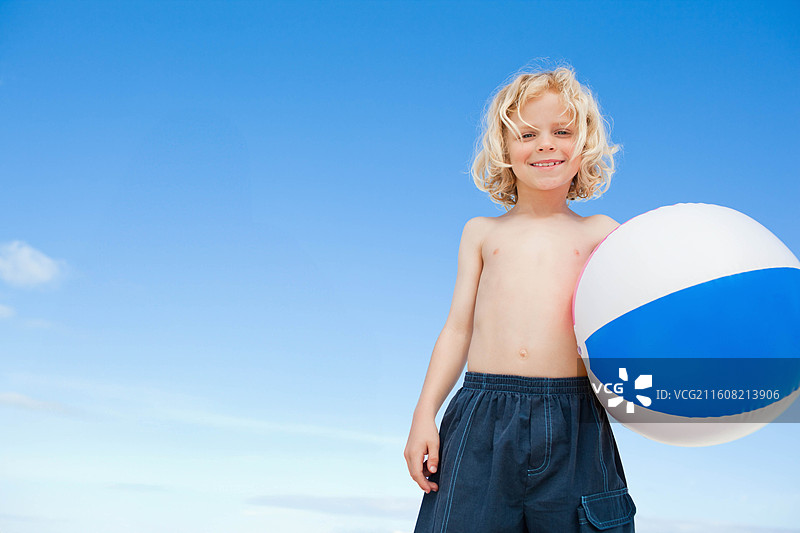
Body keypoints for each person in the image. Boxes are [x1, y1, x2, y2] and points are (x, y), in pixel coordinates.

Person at [404, 65, 636, 532]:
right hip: (483, 413)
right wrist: (423, 413)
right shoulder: (482, 233)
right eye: (527, 133)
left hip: (575, 416)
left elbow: (637, 321)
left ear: (585, 145)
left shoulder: (602, 234)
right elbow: (457, 329)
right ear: (504, 149)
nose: (545, 143)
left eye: (562, 131)